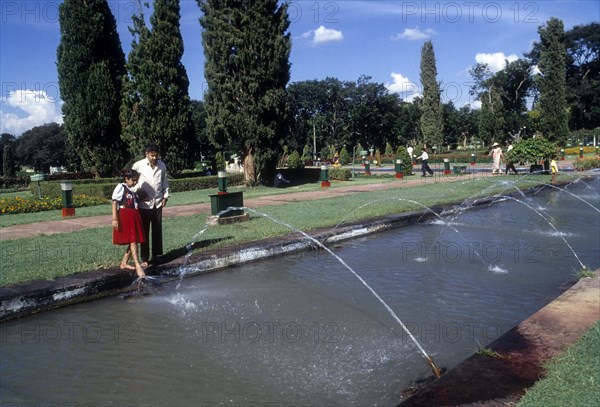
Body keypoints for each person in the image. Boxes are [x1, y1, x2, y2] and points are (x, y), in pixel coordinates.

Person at [132, 143, 169, 266]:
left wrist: (165, 196)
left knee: (157, 229)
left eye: (156, 155)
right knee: (144, 231)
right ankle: (145, 258)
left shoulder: (162, 165)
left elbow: (164, 181)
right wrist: (139, 192)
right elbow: (132, 181)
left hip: (158, 202)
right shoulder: (138, 165)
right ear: (146, 154)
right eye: (152, 155)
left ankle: (157, 255)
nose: (154, 158)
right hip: (144, 204)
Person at [112, 169, 146, 278]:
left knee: (134, 239)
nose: (135, 182)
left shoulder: (132, 189)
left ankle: (124, 262)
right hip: (125, 215)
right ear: (126, 179)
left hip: (133, 215)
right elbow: (114, 203)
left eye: (136, 180)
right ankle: (137, 264)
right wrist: (115, 218)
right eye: (133, 180)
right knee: (133, 240)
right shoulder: (121, 187)